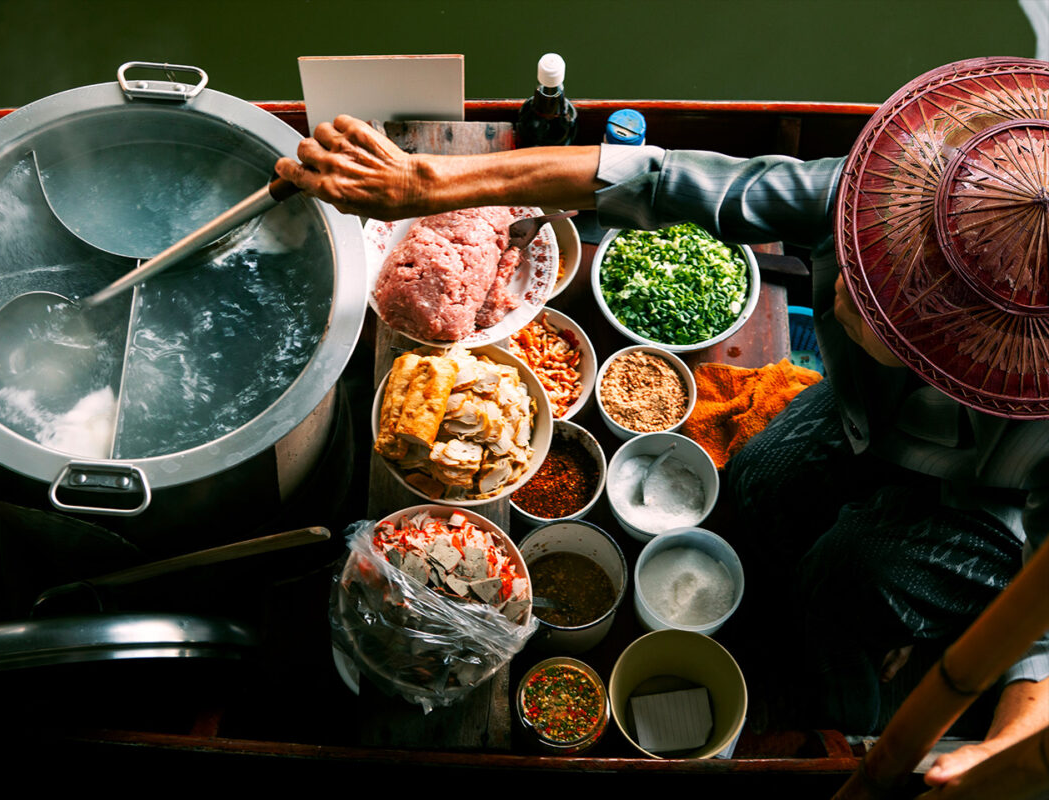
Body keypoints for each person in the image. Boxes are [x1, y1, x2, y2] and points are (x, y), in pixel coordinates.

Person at [275, 64, 1049, 788]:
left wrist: (999, 747)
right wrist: (431, 181)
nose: (847, 277)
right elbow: (664, 177)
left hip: (988, 505)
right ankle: (751, 606)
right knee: (756, 482)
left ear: (952, 352)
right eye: (866, 260)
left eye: (882, 300)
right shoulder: (889, 202)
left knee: (853, 579)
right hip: (861, 412)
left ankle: (829, 719)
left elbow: (1040, 615)